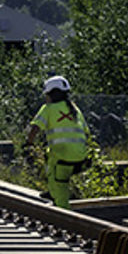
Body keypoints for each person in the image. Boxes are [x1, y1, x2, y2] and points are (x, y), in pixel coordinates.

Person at [24, 75, 92, 209]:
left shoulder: (48, 109)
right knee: (50, 156)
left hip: (62, 157)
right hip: (81, 157)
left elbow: (35, 128)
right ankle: (54, 192)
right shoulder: (75, 110)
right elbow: (86, 133)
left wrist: (28, 143)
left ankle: (63, 214)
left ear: (51, 94)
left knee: (58, 178)